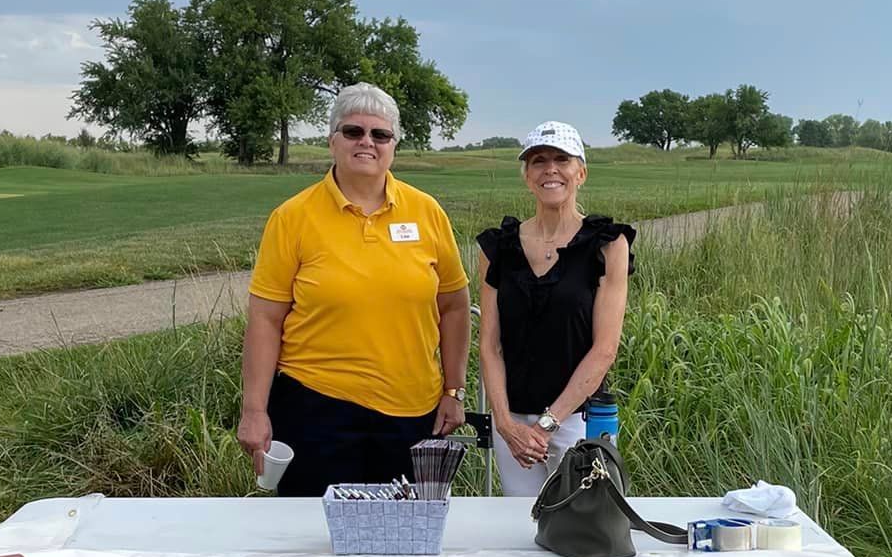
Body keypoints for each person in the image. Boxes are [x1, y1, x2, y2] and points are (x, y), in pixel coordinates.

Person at [237, 86, 471, 496]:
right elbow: (265, 318)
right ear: (332, 141)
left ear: (393, 146)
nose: (367, 142)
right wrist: (254, 410)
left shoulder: (427, 212)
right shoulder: (292, 218)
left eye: (380, 135)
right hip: (315, 409)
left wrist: (453, 390)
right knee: (315, 542)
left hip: (412, 413)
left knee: (402, 540)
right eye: (353, 131)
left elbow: (454, 306)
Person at [475, 121, 634, 498]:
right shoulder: (498, 248)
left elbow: (605, 348)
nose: (550, 169)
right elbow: (490, 346)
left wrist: (548, 425)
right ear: (527, 176)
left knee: (582, 528)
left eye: (561, 159)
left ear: (580, 172)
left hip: (577, 419)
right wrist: (504, 422)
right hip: (513, 423)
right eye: (538, 161)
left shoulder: (607, 246)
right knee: (522, 529)